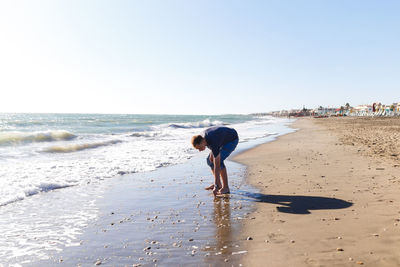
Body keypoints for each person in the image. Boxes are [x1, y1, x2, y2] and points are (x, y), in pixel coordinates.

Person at [191, 126, 239, 196]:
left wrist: (215, 185)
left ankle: (225, 187)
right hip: (221, 139)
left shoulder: (213, 140)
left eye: (199, 148)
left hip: (232, 139)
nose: (200, 150)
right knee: (209, 161)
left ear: (203, 141)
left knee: (219, 161)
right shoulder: (202, 138)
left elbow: (217, 165)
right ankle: (219, 184)